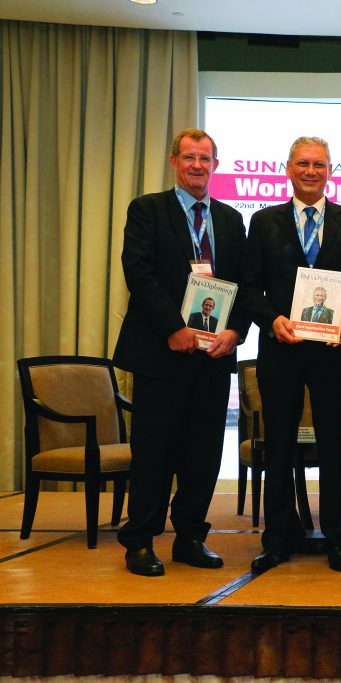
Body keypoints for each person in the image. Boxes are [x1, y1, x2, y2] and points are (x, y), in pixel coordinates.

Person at [113, 128, 247, 577]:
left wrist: (236, 331)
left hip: (212, 356)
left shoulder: (230, 219)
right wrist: (173, 327)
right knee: (154, 451)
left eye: (205, 158)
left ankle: (190, 536)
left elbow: (243, 283)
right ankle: (140, 541)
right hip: (161, 352)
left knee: (203, 453)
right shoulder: (147, 209)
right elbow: (139, 272)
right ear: (174, 161)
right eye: (189, 157)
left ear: (215, 165)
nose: (197, 165)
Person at [239, 136, 341, 574]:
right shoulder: (263, 221)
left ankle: (336, 537)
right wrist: (271, 319)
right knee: (278, 447)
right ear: (288, 169)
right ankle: (278, 538)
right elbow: (248, 288)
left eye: (318, 164)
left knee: (334, 448)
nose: (310, 171)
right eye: (303, 164)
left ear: (330, 170)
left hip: (334, 352)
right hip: (281, 351)